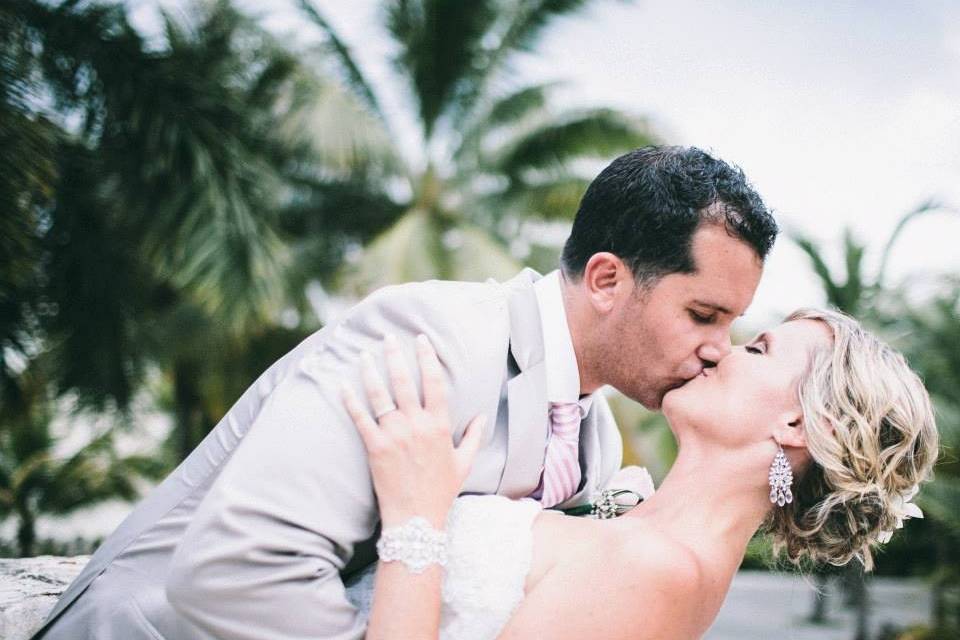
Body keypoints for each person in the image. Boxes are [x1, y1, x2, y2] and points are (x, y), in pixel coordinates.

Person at [32, 146, 777, 640]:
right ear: (609, 279)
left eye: (732, 323)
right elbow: (239, 571)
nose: (719, 347)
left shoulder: (598, 438)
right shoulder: (432, 339)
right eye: (703, 314)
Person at [341, 309, 939, 640]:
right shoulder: (631, 520)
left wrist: (415, 520)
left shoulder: (659, 573)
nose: (719, 350)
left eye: (757, 350)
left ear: (803, 425)